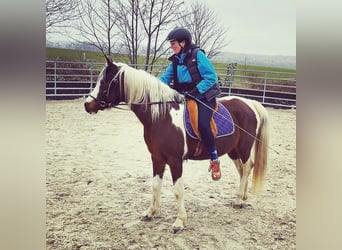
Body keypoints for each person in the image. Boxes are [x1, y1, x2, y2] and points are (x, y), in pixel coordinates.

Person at [159, 27, 221, 181]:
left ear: (183, 42)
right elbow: (165, 79)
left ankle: (214, 159)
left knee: (203, 125)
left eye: (173, 43)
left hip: (204, 95)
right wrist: (150, 86)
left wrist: (196, 91)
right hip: (184, 96)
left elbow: (211, 77)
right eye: (171, 43)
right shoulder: (175, 60)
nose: (171, 46)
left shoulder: (197, 55)